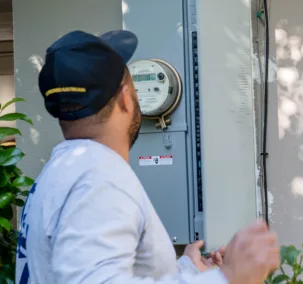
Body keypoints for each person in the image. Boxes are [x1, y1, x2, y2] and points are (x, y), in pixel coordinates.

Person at [15, 29, 280, 284]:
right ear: (126, 99)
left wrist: (188, 270)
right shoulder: (99, 178)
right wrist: (228, 278)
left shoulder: (57, 173)